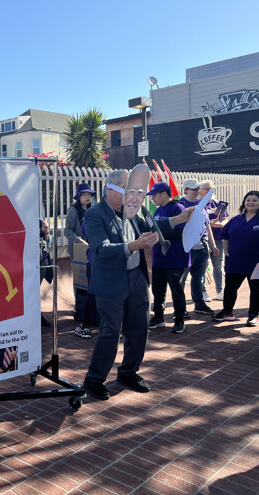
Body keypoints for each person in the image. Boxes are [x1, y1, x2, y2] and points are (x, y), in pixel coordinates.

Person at [82, 169, 194, 401]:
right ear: (112, 190)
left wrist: (180, 218)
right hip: (111, 282)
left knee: (139, 328)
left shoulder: (133, 210)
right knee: (110, 332)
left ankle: (128, 373)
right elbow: (101, 249)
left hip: (136, 278)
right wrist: (134, 245)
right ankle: (94, 379)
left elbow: (153, 228)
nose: (135, 196)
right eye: (129, 190)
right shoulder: (95, 214)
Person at [213, 190, 259, 326]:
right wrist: (226, 251)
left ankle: (253, 315)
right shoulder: (236, 219)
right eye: (248, 200)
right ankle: (227, 312)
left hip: (257, 262)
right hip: (235, 261)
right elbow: (225, 235)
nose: (251, 203)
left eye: (254, 200)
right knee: (230, 287)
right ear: (244, 202)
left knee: (256, 289)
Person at [147, 182, 191, 334]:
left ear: (164, 194)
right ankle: (158, 317)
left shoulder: (177, 208)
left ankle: (179, 320)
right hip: (159, 257)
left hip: (175, 257)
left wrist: (157, 234)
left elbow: (180, 232)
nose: (152, 198)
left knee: (176, 289)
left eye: (154, 195)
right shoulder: (158, 210)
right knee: (158, 289)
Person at [179, 179, 216, 315]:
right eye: (193, 189)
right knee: (182, 278)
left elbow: (207, 225)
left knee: (199, 277)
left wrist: (213, 245)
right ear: (185, 190)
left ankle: (199, 303)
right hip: (187, 246)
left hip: (202, 246)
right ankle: (180, 306)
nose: (196, 192)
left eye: (197, 189)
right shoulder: (179, 205)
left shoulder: (201, 204)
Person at [65, 182, 96, 337]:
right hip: (78, 250)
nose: (87, 197)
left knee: (89, 280)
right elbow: (68, 231)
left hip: (91, 249)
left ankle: (89, 312)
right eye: (84, 194)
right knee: (80, 279)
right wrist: (78, 240)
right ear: (79, 196)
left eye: (89, 194)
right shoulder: (74, 211)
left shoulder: (93, 210)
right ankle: (80, 310)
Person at [198, 180, 228, 301]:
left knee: (217, 265)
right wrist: (210, 224)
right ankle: (203, 291)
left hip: (218, 238)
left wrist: (221, 223)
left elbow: (225, 219)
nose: (211, 190)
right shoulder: (199, 204)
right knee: (203, 265)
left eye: (212, 188)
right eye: (207, 188)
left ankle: (219, 291)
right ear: (201, 190)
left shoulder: (217, 204)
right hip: (204, 238)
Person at [39, 218, 53, 327]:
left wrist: (45, 231)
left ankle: (38, 316)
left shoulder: (40, 222)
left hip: (41, 261)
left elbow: (48, 240)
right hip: (27, 261)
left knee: (34, 291)